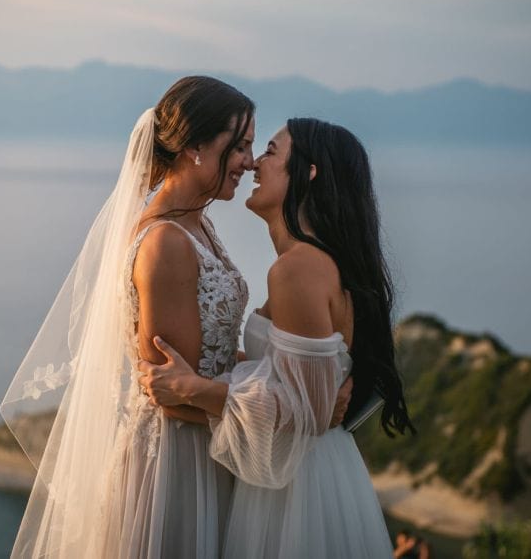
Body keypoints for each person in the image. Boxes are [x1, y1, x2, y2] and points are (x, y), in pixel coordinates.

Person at [0, 76, 255, 558]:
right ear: (195, 147)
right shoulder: (165, 242)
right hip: (179, 462)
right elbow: (171, 396)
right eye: (239, 146)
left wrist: (276, 373)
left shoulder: (196, 222)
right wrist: (273, 417)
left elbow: (208, 359)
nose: (250, 161)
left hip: (209, 444)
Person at [139, 118, 415, 558]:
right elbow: (296, 381)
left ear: (309, 173)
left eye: (269, 151)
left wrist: (192, 387)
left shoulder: (298, 268)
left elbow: (305, 410)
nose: (253, 164)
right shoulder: (314, 261)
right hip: (303, 471)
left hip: (296, 489)